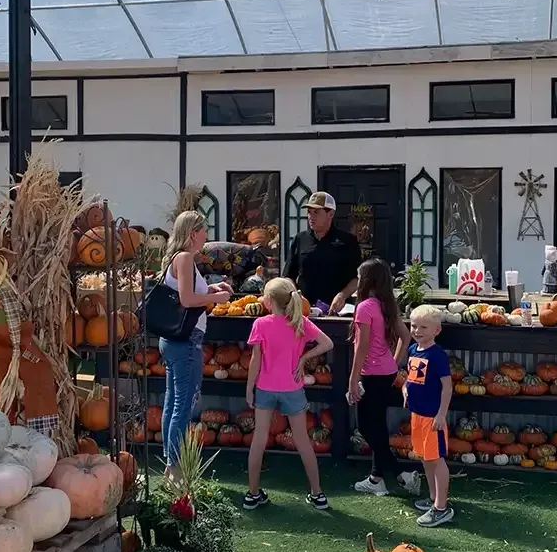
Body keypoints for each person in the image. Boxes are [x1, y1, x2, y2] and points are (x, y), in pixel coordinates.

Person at [243, 276, 334, 511]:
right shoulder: (300, 322)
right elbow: (328, 344)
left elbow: (256, 360)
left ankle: (252, 494)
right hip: (293, 388)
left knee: (259, 440)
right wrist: (303, 358)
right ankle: (318, 493)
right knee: (303, 440)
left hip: (265, 387)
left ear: (269, 301)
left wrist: (249, 387)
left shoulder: (260, 324)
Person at [159, 210, 232, 482]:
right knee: (183, 406)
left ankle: (170, 465)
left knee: (171, 404)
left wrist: (210, 290)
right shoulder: (187, 258)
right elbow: (188, 300)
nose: (206, 236)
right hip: (187, 341)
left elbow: (185, 295)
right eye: (204, 231)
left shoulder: (175, 259)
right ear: (192, 233)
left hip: (172, 341)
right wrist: (220, 296)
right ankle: (176, 469)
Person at [346, 258, 409, 496]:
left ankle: (401, 473)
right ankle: (376, 479)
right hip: (387, 372)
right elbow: (406, 336)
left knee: (365, 426)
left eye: (360, 278)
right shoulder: (386, 305)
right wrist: (394, 361)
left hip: (370, 374)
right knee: (378, 426)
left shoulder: (364, 307)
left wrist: (353, 380)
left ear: (366, 281)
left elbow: (361, 347)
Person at [401, 304, 454, 527]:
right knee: (425, 457)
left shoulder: (437, 355)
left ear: (436, 331)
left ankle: (441, 508)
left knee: (436, 459)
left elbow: (447, 387)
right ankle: (433, 497)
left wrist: (441, 414)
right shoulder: (413, 350)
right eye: (414, 326)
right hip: (417, 415)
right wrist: (405, 388)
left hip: (433, 418)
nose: (417, 330)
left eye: (424, 326)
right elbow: (411, 377)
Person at [285, 191, 361, 314]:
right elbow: (288, 276)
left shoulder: (348, 241)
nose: (311, 217)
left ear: (330, 214)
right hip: (305, 311)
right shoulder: (300, 239)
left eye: (316, 212)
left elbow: (357, 278)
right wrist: (296, 296)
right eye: (309, 212)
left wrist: (342, 296)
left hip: (338, 311)